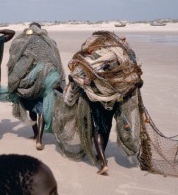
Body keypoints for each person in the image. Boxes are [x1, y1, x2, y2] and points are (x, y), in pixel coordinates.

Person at [60, 31, 143, 175]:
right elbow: (134, 78)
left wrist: (75, 81)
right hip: (116, 97)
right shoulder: (119, 55)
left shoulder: (89, 58)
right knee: (106, 126)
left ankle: (103, 162)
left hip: (97, 98)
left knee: (98, 128)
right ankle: (100, 155)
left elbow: (77, 75)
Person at [7, 22, 65, 151]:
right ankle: (39, 138)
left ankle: (36, 135)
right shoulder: (50, 42)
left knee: (32, 108)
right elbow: (57, 60)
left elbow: (15, 57)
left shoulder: (22, 41)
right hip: (48, 78)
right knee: (43, 109)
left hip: (29, 81)